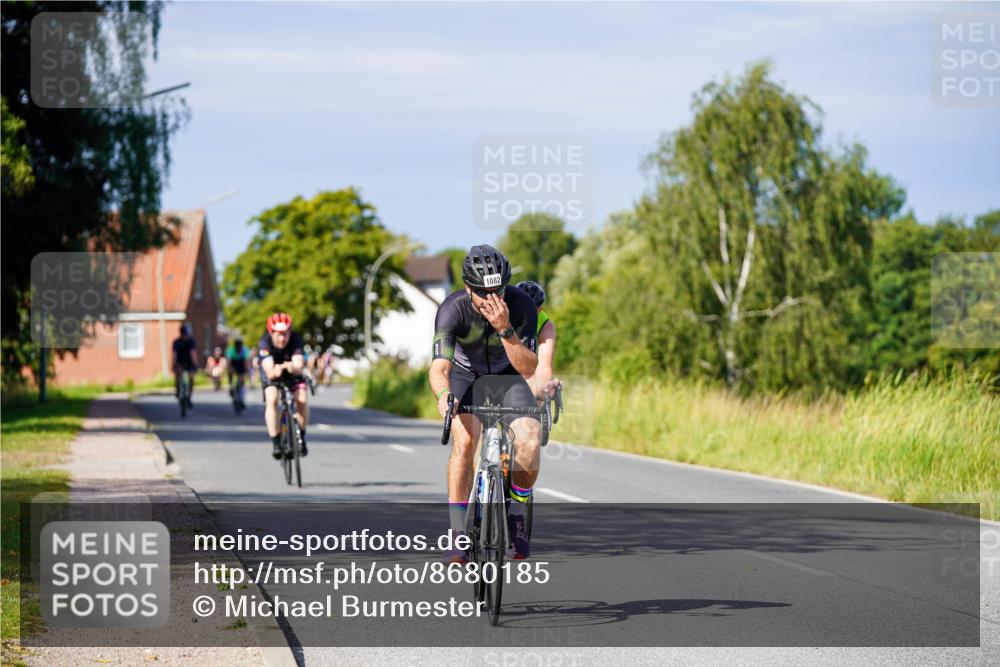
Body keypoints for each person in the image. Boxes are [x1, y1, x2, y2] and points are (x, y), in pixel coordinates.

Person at [429, 245, 540, 561]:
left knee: (530, 442)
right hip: (467, 377)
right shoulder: (452, 310)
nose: (493, 300)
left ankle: (517, 509)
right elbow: (439, 369)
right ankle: (457, 533)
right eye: (483, 293)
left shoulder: (521, 306)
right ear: (468, 288)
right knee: (464, 442)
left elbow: (529, 368)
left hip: (509, 379)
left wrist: (505, 329)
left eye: (498, 290)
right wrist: (443, 396)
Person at [259, 313, 309, 459]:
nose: (282, 339)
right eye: (278, 335)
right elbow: (270, 372)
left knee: (302, 399)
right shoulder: (265, 343)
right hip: (273, 373)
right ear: (271, 333)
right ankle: (275, 441)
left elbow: (298, 365)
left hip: (291, 371)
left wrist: (287, 365)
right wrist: (281, 368)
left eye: (285, 334)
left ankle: (301, 436)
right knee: (272, 399)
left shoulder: (296, 340)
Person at [516, 281, 562, 399]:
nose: (523, 314)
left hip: (529, 370)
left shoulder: (545, 325)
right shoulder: (502, 315)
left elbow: (544, 365)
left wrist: (545, 388)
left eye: (529, 310)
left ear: (539, 309)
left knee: (536, 396)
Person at [171, 323, 199, 406]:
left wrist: (195, 364)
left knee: (191, 378)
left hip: (189, 362)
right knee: (178, 374)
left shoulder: (191, 341)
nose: (186, 336)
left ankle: (189, 397)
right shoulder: (176, 342)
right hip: (180, 361)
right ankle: (178, 389)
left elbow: (193, 353)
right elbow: (174, 354)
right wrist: (174, 364)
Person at [226, 337, 250, 405]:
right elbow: (229, 362)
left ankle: (241, 398)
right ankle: (230, 386)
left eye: (240, 348)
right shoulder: (231, 350)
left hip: (241, 363)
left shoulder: (245, 350)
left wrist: (247, 371)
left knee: (242, 380)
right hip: (234, 363)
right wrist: (230, 369)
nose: (238, 349)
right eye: (237, 348)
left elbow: (246, 362)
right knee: (230, 372)